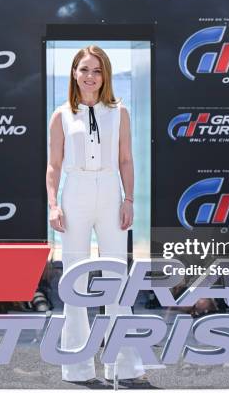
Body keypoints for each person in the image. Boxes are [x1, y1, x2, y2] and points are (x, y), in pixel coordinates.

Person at [45, 45, 145, 383]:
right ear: (74, 73)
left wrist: (129, 199)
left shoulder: (120, 112)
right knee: (75, 279)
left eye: (97, 70)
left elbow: (126, 160)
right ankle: (77, 366)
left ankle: (126, 365)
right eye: (85, 69)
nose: (91, 76)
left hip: (110, 191)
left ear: (106, 76)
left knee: (117, 277)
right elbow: (53, 165)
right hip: (75, 192)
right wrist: (53, 205)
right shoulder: (60, 115)